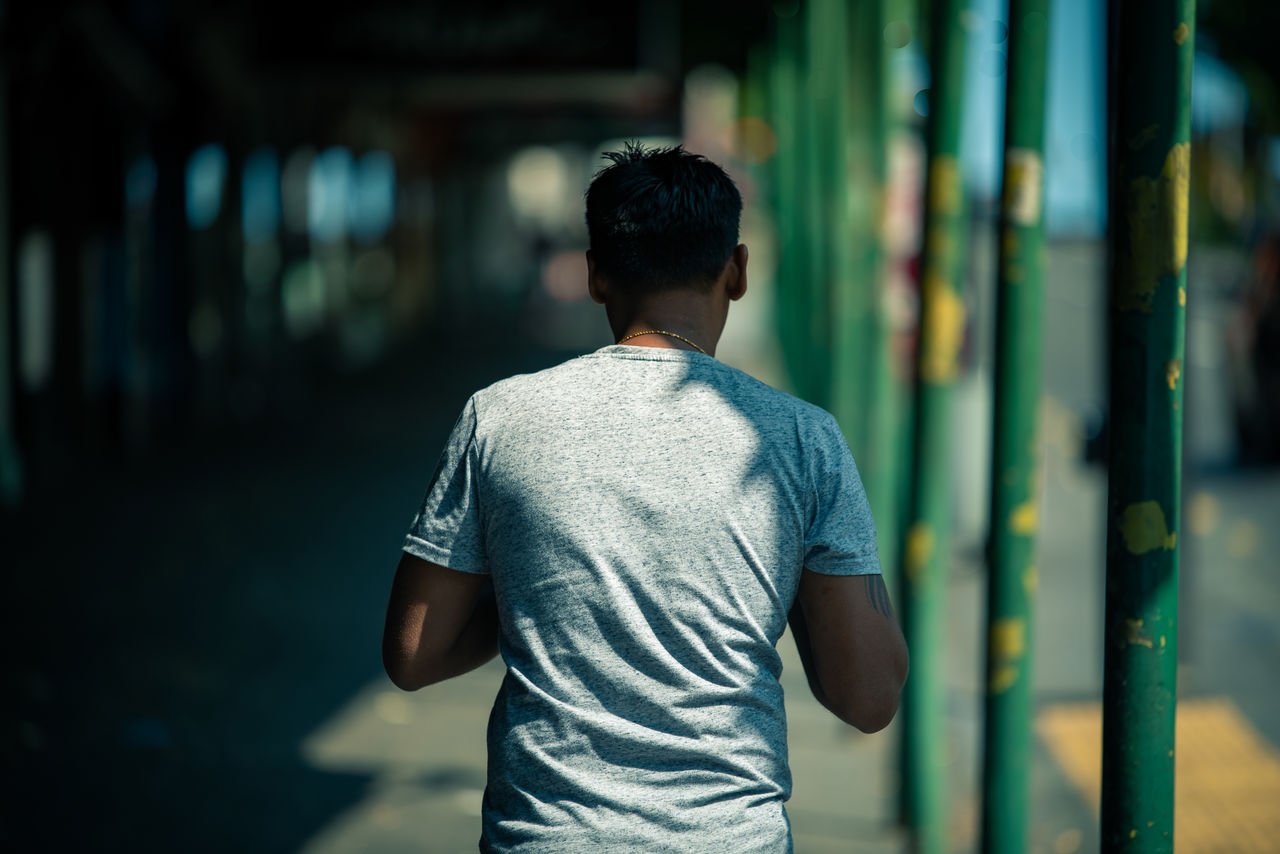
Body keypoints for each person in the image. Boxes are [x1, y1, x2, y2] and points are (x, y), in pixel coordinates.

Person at [382, 143, 908, 853]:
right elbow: (869, 697)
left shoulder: (500, 417)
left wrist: (533, 591)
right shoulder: (801, 439)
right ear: (738, 271)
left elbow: (414, 653)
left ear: (597, 276)